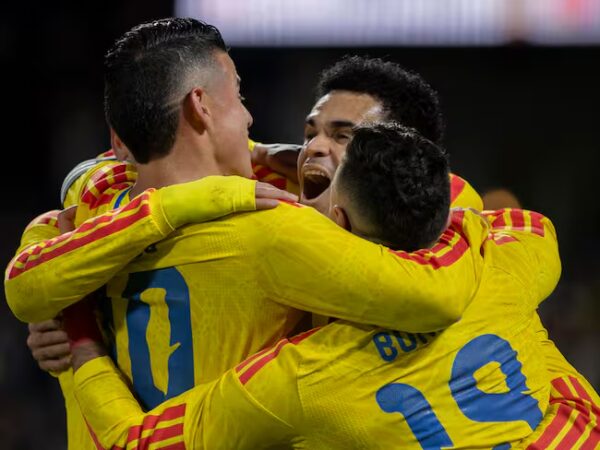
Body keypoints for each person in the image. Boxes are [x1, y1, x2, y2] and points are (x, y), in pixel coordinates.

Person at [4, 20, 482, 450]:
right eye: (238, 96)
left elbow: (38, 258)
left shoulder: (95, 210)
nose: (249, 118)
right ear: (201, 106)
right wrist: (493, 227)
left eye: (343, 138)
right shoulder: (277, 229)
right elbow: (435, 291)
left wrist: (75, 325)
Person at [66, 123, 569, 448]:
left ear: (341, 222)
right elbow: (529, 226)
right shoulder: (499, 267)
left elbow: (134, 442)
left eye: (319, 194)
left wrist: (80, 332)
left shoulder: (308, 376)